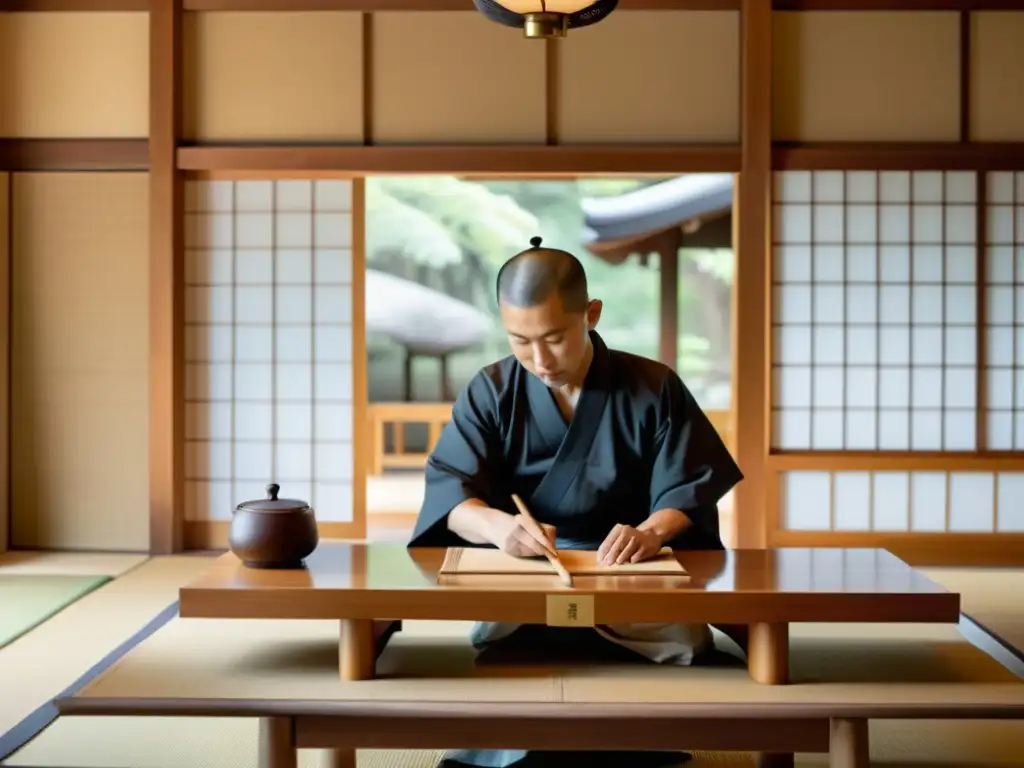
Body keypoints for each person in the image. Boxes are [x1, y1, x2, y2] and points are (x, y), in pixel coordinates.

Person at [408, 237, 745, 768]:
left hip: (629, 575)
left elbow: (690, 483)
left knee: (680, 636)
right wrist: (499, 528)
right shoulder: (490, 390)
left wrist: (651, 532)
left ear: (591, 314)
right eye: (520, 341)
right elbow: (451, 491)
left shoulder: (653, 386)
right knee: (495, 632)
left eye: (556, 338)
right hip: (526, 573)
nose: (540, 360)